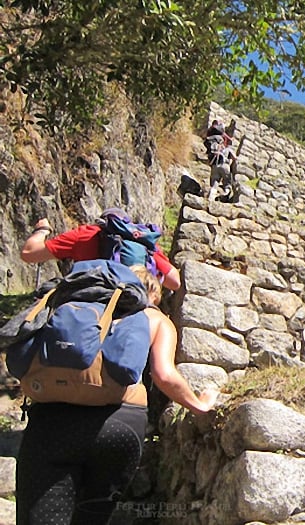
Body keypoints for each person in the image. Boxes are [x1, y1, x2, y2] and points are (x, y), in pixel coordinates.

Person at [15, 265, 218, 525]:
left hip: (53, 423)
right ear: (152, 294)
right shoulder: (155, 319)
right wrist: (199, 405)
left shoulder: (67, 305)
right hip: (120, 426)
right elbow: (164, 375)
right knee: (92, 518)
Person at [20, 207, 181, 290]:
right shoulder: (141, 241)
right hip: (134, 298)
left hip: (91, 296)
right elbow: (174, 282)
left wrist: (42, 230)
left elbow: (29, 253)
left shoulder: (86, 234)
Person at [204, 120, 238, 202]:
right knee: (227, 182)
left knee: (214, 183)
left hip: (214, 165)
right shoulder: (227, 149)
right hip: (224, 165)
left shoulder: (213, 145)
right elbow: (234, 158)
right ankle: (226, 193)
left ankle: (211, 197)